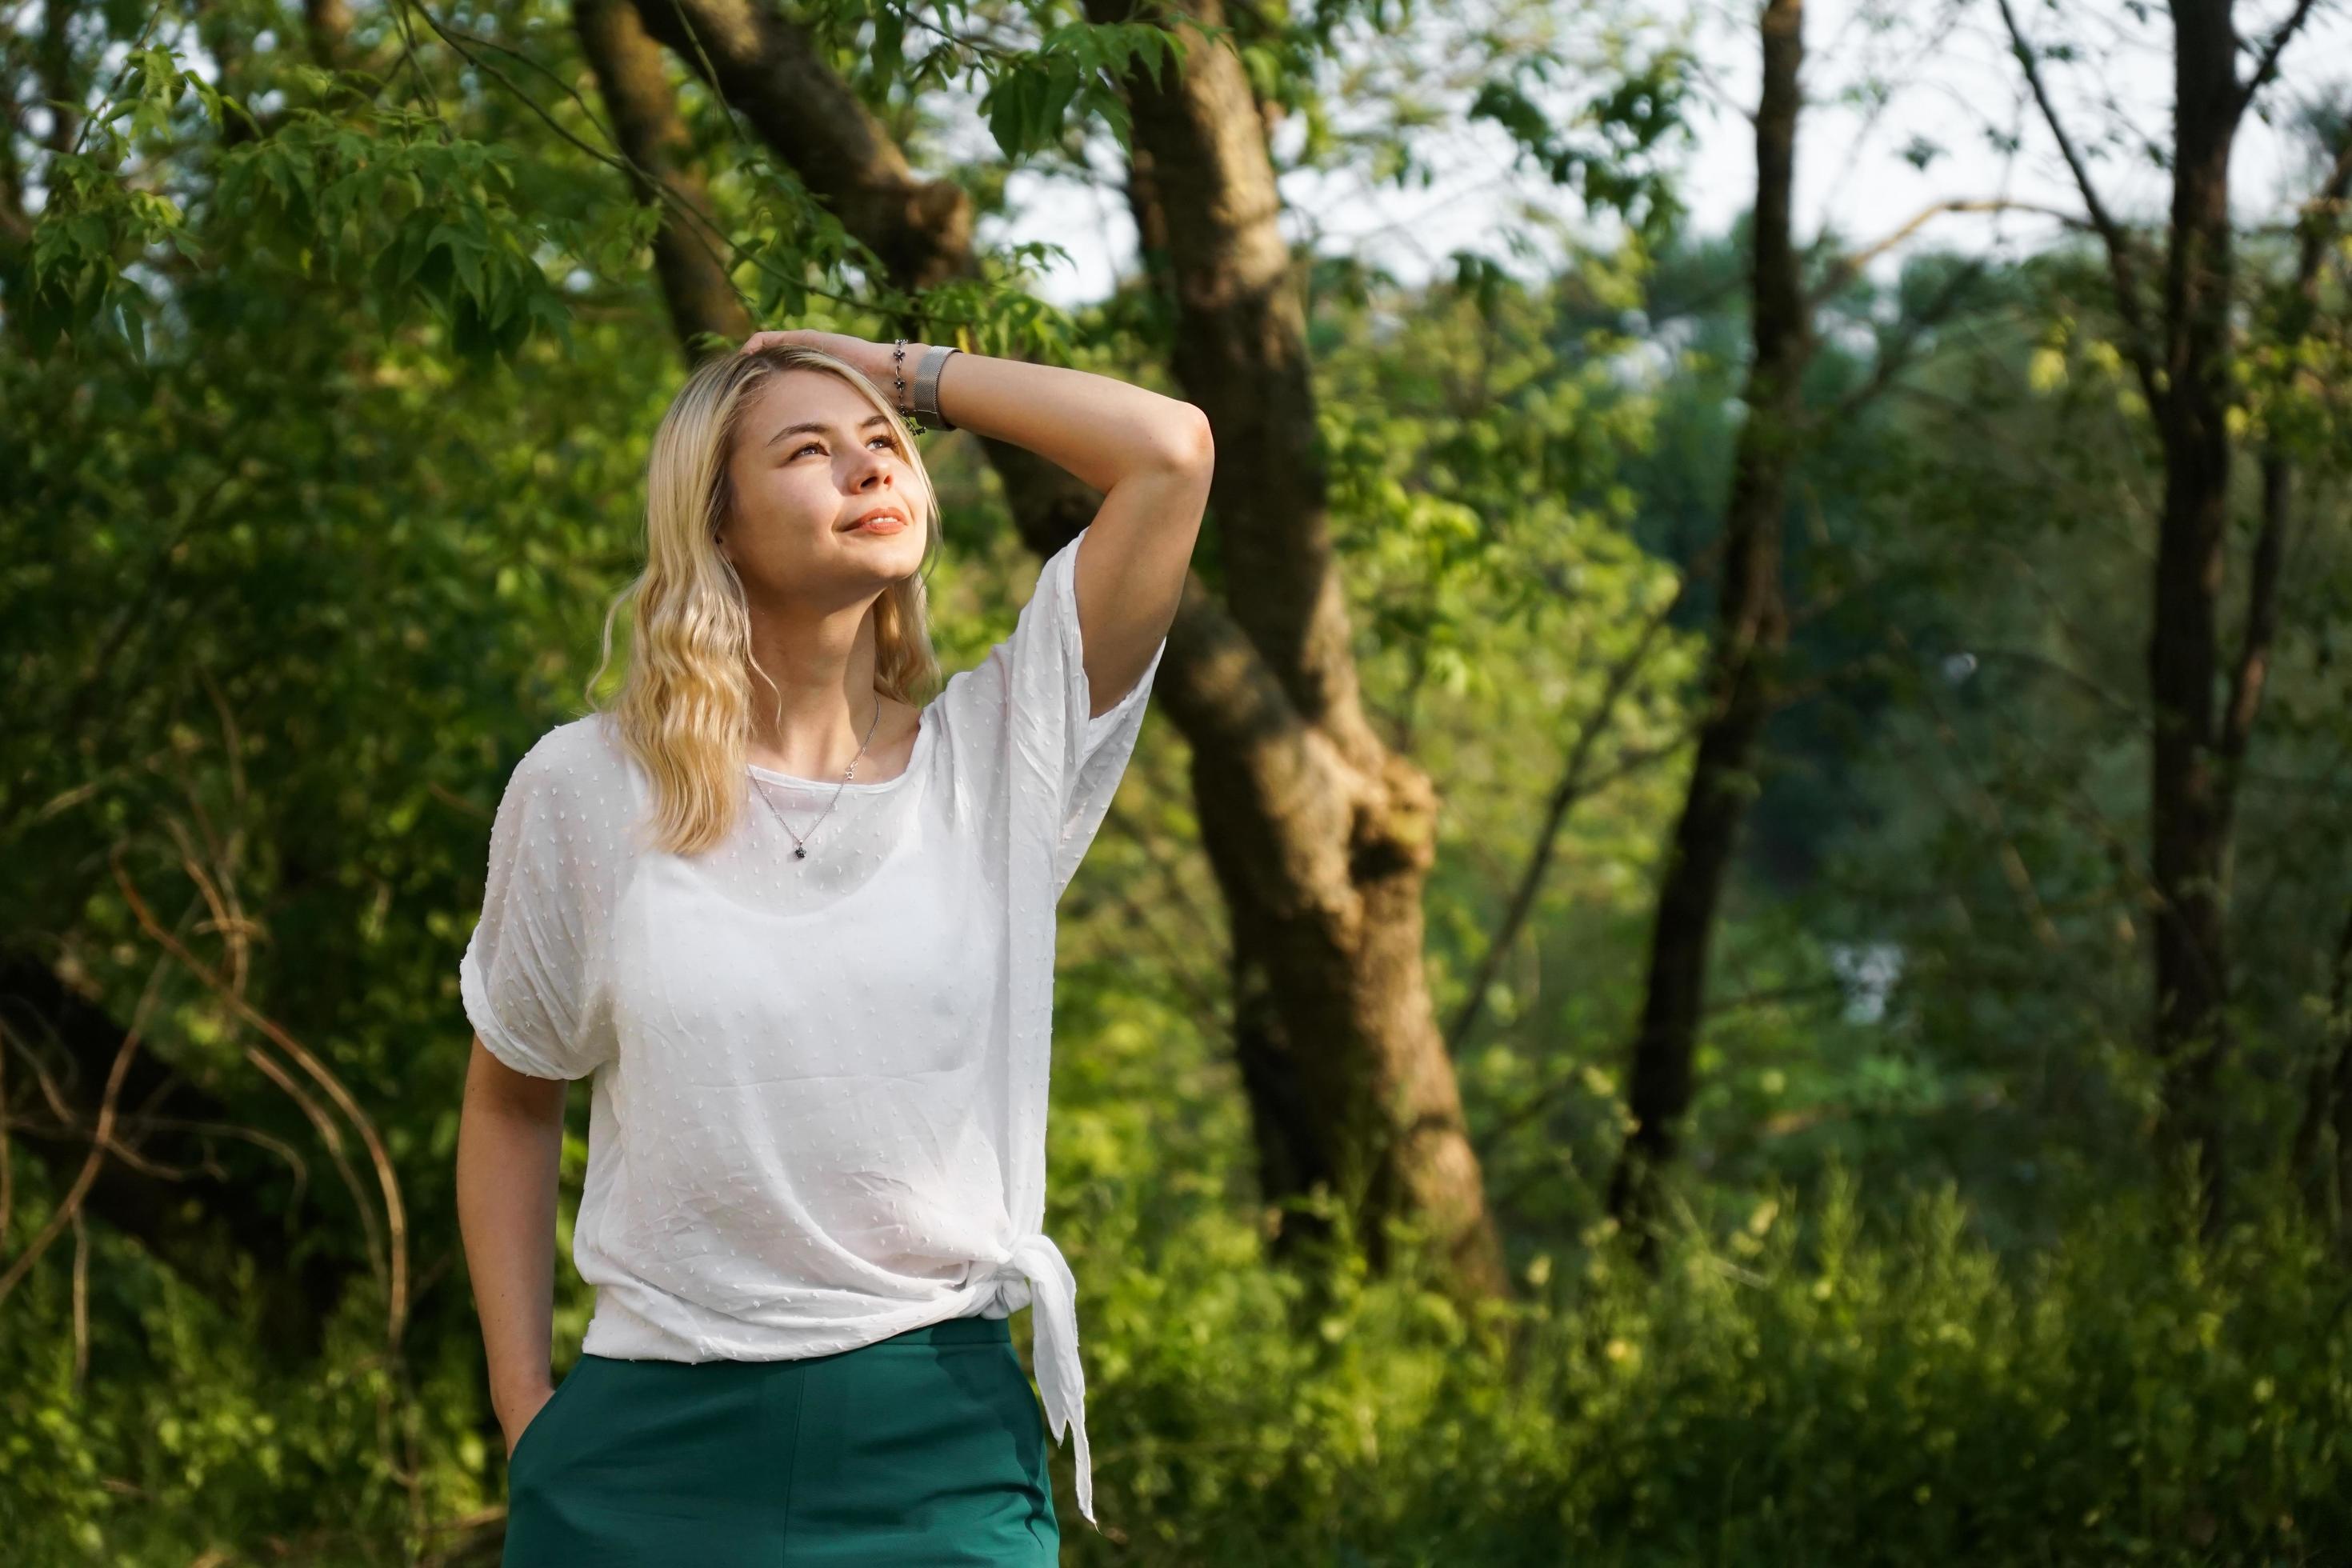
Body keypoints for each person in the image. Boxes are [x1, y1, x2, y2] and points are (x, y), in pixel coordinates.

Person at [453, 328, 1211, 1564]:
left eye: (887, 449)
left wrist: (890, 369)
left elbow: (1170, 451)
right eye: (809, 451)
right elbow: (510, 1097)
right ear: (717, 527)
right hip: (645, 1450)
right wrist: (525, 1407)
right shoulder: (586, 788)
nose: (870, 470)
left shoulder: (996, 763)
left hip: (937, 1450)